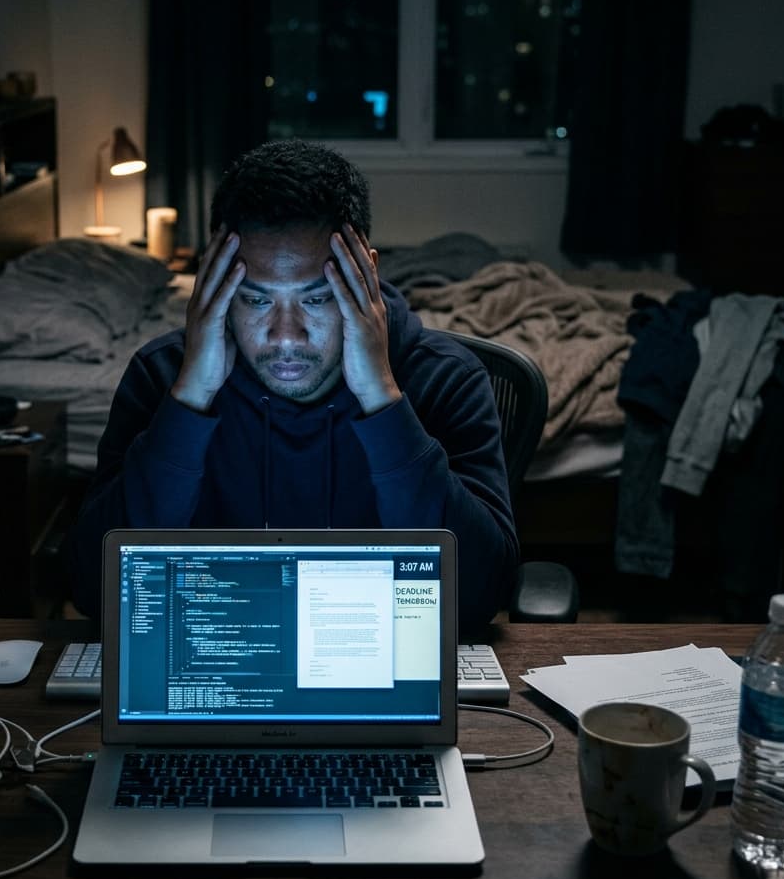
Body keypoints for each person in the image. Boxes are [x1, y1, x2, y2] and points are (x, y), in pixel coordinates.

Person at [69, 138, 518, 633]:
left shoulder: (444, 377)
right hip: (223, 653)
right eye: (257, 301)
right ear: (215, 290)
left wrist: (383, 401)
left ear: (365, 274)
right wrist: (189, 399)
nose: (286, 335)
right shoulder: (162, 378)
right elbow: (95, 593)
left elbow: (478, 600)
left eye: (318, 299)